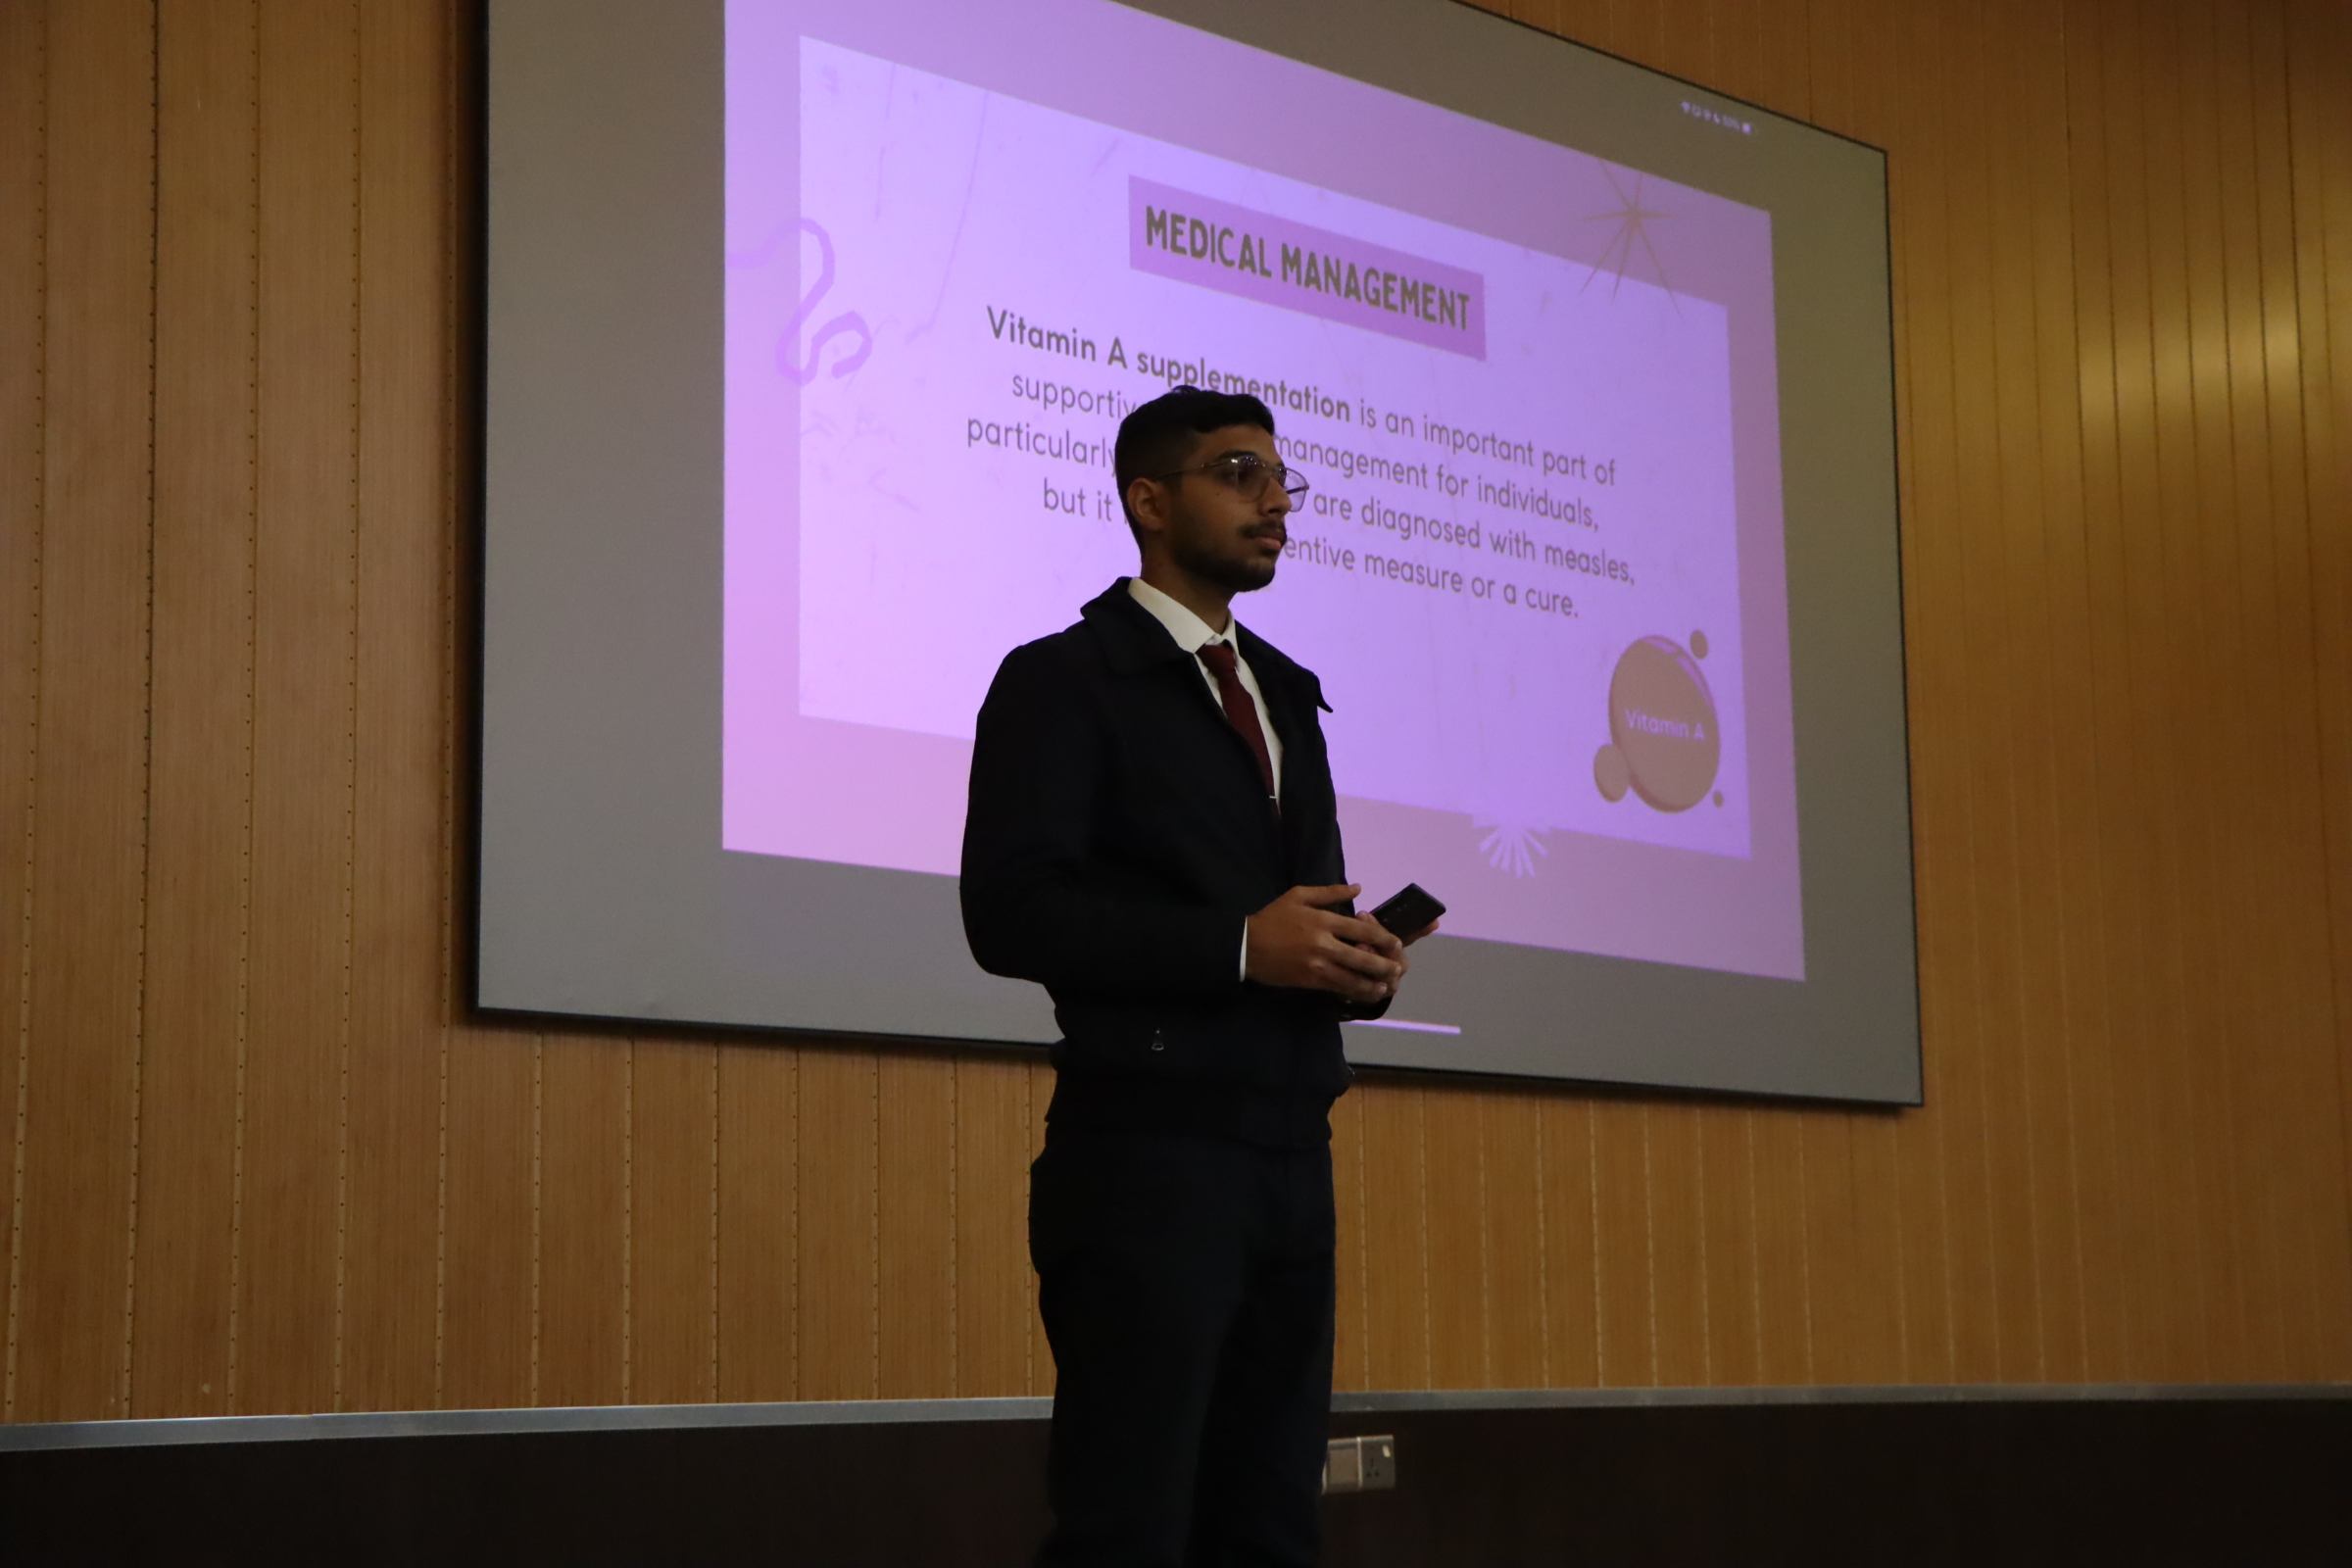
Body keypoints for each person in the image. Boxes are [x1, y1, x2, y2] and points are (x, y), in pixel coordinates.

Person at [960, 385, 1437, 1567]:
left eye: (1282, 478)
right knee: (1131, 1524)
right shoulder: (1065, 678)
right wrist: (1238, 947)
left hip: (1292, 1152)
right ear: (1150, 500)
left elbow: (1297, 914)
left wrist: (1353, 965)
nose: (1275, 501)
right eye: (1238, 473)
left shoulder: (1286, 693)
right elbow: (1009, 915)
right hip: (1147, 1155)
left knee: (1270, 1525)